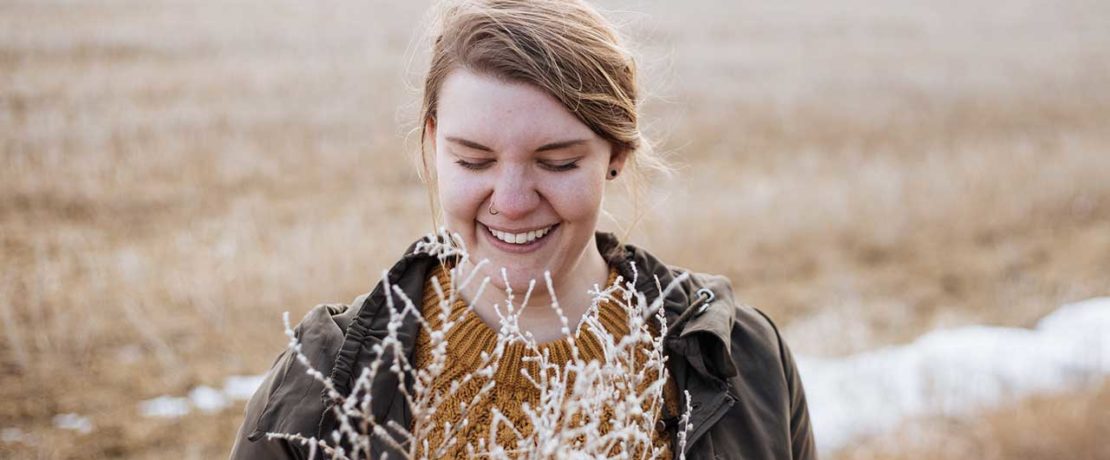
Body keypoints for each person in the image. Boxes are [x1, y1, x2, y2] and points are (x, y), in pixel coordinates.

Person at [230, 0, 815, 458]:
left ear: (616, 153)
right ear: (432, 143)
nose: (511, 203)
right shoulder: (325, 379)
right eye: (474, 160)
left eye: (557, 162)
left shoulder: (743, 358)